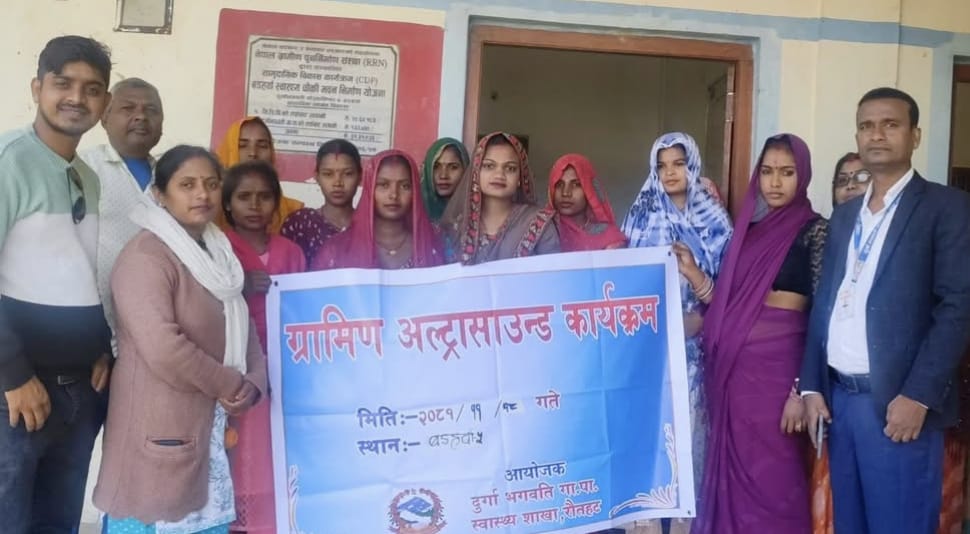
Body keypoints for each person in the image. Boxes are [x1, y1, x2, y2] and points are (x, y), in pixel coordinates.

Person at [801, 88, 970, 534]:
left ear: (915, 136)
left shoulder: (946, 207)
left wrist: (919, 395)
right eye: (866, 126)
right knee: (850, 524)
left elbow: (958, 306)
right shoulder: (845, 217)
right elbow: (825, 302)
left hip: (898, 405)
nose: (876, 135)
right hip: (840, 403)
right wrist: (812, 385)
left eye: (890, 124)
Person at [94, 145, 267, 533]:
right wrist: (230, 383)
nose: (202, 194)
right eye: (187, 185)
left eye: (211, 184)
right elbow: (163, 347)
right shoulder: (146, 256)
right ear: (160, 195)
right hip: (159, 430)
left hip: (211, 435)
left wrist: (254, 381)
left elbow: (243, 325)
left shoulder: (219, 254)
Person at [0, 35, 113, 534]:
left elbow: (76, 272)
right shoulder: (10, 161)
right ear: (36, 88)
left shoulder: (86, 177)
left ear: (104, 102)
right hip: (16, 395)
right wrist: (12, 374)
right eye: (62, 83)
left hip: (76, 395)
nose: (76, 97)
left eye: (92, 89)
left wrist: (99, 345)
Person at [693, 133, 827, 534]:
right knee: (733, 482)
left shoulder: (816, 232)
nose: (775, 182)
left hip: (780, 383)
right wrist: (692, 274)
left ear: (803, 175)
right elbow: (725, 304)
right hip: (734, 378)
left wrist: (800, 391)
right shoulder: (746, 234)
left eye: (787, 172)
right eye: (767, 172)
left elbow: (823, 317)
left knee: (777, 478)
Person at [619, 133, 732, 534]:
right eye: (662, 165)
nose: (670, 172)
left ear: (693, 166)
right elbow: (624, 286)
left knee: (687, 449)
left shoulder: (717, 223)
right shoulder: (639, 217)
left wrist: (699, 307)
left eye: (678, 163)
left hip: (698, 354)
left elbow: (731, 296)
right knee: (648, 444)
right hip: (647, 352)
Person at [222, 160, 305, 533]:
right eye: (244, 197)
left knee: (278, 455)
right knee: (243, 454)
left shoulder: (291, 251)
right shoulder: (220, 249)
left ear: (277, 202)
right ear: (227, 203)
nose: (254, 206)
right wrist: (239, 287)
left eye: (264, 197)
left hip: (287, 372)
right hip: (241, 370)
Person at [82, 77, 163, 351]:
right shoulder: (83, 168)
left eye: (151, 110)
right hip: (95, 329)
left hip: (158, 329)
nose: (141, 116)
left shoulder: (173, 178)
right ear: (104, 117)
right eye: (128, 108)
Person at [311, 149, 442, 270]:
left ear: (415, 192)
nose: (394, 195)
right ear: (369, 189)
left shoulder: (430, 246)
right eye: (383, 185)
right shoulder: (336, 250)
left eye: (404, 186)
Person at [441, 132, 559, 264]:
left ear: (520, 178)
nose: (499, 175)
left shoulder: (539, 224)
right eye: (489, 166)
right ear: (476, 172)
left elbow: (552, 272)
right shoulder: (457, 226)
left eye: (510, 168)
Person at [214, 116, 303, 233]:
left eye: (262, 146)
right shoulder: (210, 212)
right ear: (227, 152)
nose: (253, 153)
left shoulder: (293, 214)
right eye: (242, 146)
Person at [281, 139, 362, 265]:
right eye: (328, 174)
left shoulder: (370, 227)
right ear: (317, 176)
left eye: (347, 174)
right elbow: (284, 268)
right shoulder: (300, 223)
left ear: (360, 176)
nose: (337, 183)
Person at [548, 153, 627, 252]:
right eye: (559, 185)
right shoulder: (543, 232)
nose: (565, 193)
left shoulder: (610, 238)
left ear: (589, 190)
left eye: (576, 185)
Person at [421, 137, 469, 222]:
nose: (443, 175)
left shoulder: (476, 215)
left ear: (466, 170)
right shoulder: (414, 213)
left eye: (453, 167)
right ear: (427, 169)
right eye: (436, 167)